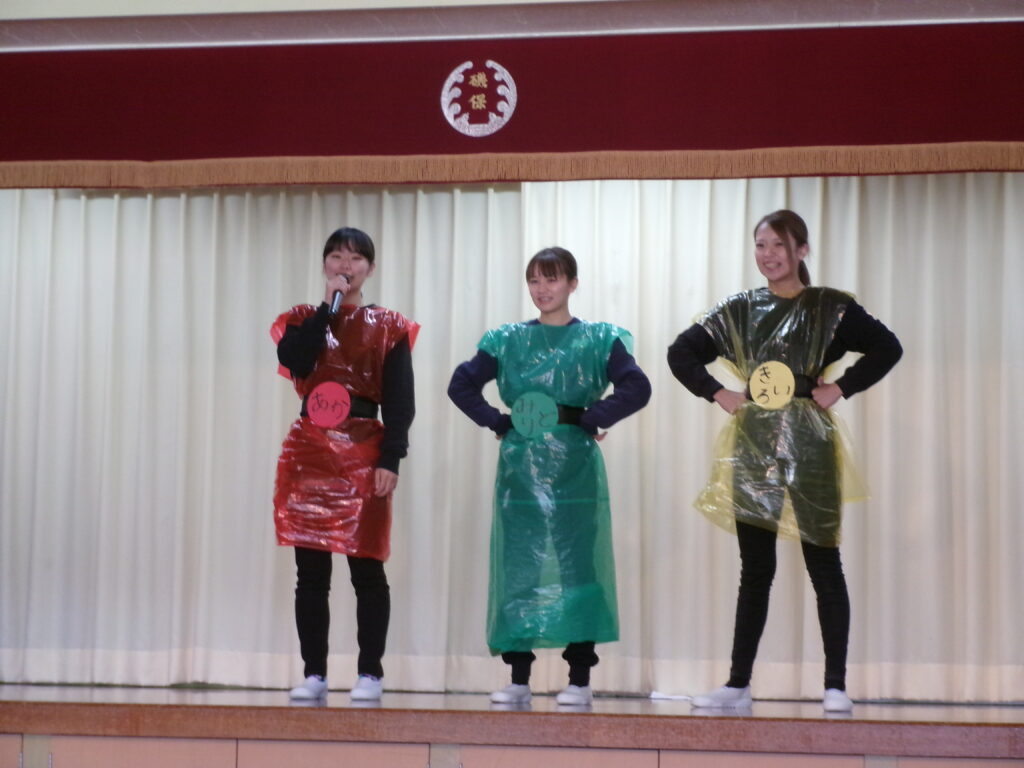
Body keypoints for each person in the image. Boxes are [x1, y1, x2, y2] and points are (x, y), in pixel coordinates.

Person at [667, 210, 901, 713]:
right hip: (754, 444)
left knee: (824, 562)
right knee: (755, 568)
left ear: (801, 250)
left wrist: (842, 387)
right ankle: (737, 685)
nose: (768, 254)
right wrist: (717, 392)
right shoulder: (739, 310)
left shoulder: (829, 308)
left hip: (810, 443)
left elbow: (888, 347)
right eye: (760, 245)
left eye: (778, 244)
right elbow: (680, 353)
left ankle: (835, 685)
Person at [448, 246, 651, 707]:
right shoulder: (507, 339)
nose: (542, 289)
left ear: (573, 284)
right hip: (520, 471)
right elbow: (461, 384)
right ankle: (519, 677)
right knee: (520, 563)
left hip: (574, 469)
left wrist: (590, 417)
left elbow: (637, 386)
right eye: (535, 280)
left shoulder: (599, 338)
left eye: (552, 279)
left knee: (579, 565)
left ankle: (579, 677)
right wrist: (499, 422)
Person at [271, 227, 418, 702]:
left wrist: (391, 457)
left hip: (362, 450)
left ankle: (370, 672)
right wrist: (325, 310)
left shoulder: (389, 325)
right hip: (309, 452)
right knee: (310, 573)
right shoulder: (301, 319)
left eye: (355, 258)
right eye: (336, 256)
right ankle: (314, 673)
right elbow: (295, 360)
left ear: (370, 269)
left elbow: (401, 401)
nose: (345, 265)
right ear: (324, 266)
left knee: (366, 569)